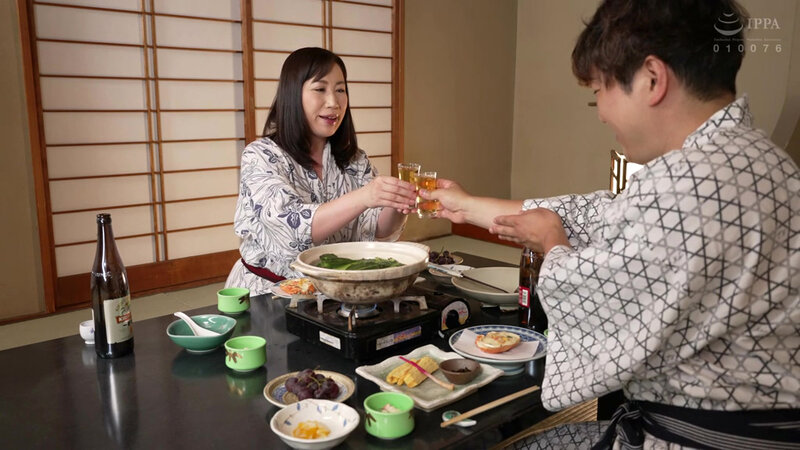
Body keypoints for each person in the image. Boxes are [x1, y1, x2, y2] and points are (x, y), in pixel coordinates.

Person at [420, 0, 799, 448]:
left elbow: (590, 291)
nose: (600, 112)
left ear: (652, 78)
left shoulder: (686, 181)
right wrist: (465, 206)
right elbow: (602, 214)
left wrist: (553, 245)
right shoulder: (759, 160)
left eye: (599, 90)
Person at [225, 47, 416, 295]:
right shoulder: (260, 156)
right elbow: (290, 231)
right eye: (320, 89)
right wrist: (365, 196)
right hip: (267, 293)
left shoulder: (355, 160)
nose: (334, 102)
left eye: (340, 90)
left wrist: (398, 202)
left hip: (336, 293)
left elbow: (376, 228)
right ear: (293, 95)